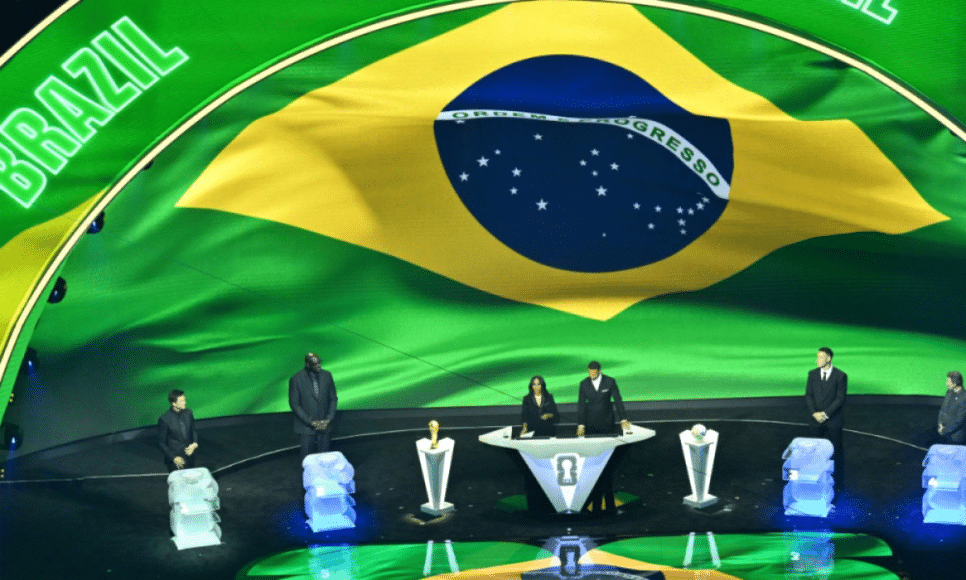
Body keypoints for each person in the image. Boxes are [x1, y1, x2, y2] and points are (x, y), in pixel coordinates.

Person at [576, 361, 632, 514]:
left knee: (606, 460)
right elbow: (581, 405)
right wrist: (581, 424)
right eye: (589, 372)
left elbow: (618, 400)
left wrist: (623, 419)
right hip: (591, 425)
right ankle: (594, 496)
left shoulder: (610, 381)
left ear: (599, 371)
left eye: (594, 372)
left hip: (607, 424)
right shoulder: (584, 384)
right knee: (593, 460)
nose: (591, 374)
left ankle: (608, 499)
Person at [805, 347, 847, 490]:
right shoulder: (812, 374)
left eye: (820, 357)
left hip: (833, 420)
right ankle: (815, 480)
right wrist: (814, 413)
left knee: (836, 451)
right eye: (817, 357)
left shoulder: (840, 376)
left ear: (829, 358)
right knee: (814, 451)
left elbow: (840, 398)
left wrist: (825, 414)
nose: (817, 360)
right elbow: (808, 395)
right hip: (815, 420)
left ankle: (838, 483)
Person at [289, 352, 338, 460]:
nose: (319, 366)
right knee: (308, 460)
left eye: (319, 363)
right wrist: (311, 422)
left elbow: (333, 398)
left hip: (325, 425)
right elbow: (294, 404)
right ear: (307, 364)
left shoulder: (327, 375)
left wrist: (329, 419)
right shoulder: (296, 379)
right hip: (306, 428)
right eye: (315, 364)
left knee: (325, 459)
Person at [158, 389, 198, 472]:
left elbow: (193, 431)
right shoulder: (164, 419)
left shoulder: (188, 413)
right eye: (181, 401)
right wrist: (173, 458)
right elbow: (161, 443)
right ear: (173, 403)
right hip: (176, 461)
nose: (185, 402)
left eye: (185, 400)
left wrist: (194, 444)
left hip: (190, 456)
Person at [938, 371, 966, 444]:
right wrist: (940, 424)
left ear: (955, 383)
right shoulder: (949, 392)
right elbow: (943, 410)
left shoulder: (964, 398)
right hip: (944, 433)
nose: (946, 383)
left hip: (955, 437)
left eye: (948, 381)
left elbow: (959, 421)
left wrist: (944, 430)